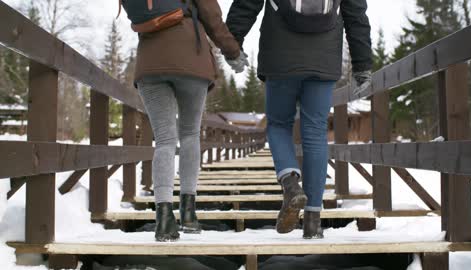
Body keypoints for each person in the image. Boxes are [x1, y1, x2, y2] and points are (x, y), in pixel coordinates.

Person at [225, 0, 373, 239]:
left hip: (280, 55)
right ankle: (313, 222)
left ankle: (291, 184)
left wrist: (232, 43)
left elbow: (246, 3)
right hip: (324, 58)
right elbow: (356, 15)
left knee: (278, 125)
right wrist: (362, 64)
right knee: (315, 132)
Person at [133, 0, 248, 242]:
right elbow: (212, 17)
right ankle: (188, 214)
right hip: (190, 59)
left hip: (150, 63)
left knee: (164, 139)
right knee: (189, 134)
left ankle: (163, 219)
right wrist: (233, 52)